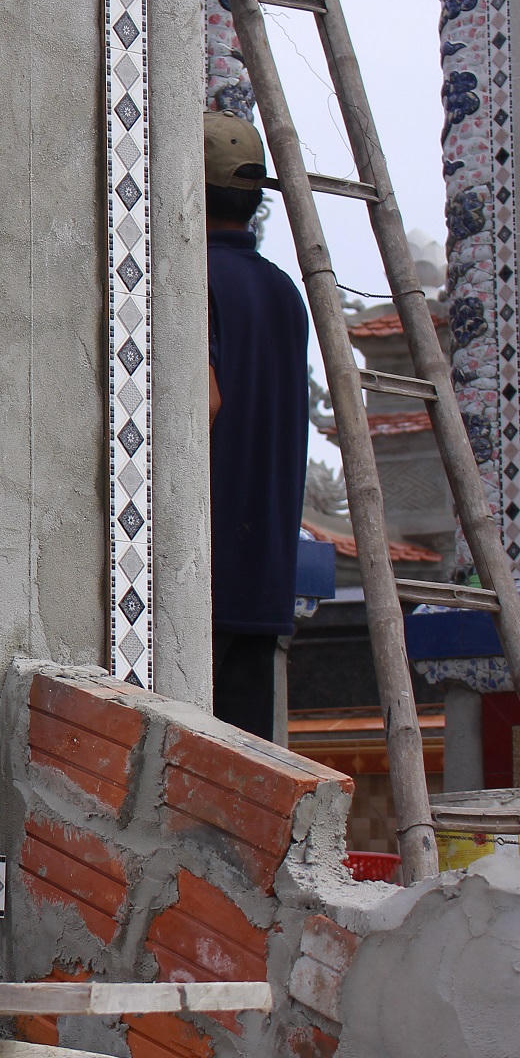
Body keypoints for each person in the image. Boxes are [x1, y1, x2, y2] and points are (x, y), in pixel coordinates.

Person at [204, 111, 309, 743]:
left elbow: (206, 402)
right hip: (264, 576)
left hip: (200, 579)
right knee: (242, 775)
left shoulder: (192, 280)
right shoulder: (284, 291)